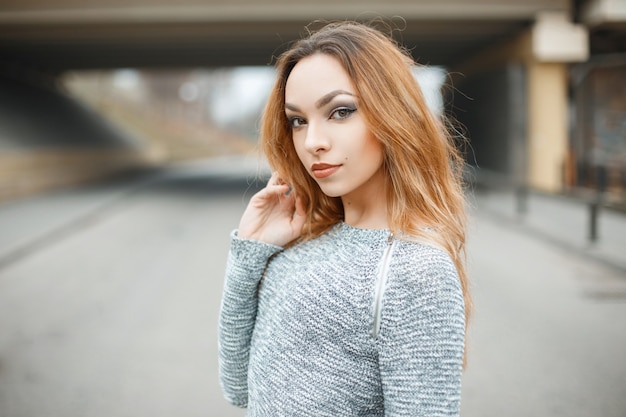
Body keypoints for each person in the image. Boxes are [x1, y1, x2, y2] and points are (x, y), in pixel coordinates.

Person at [218, 20, 471, 416]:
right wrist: (249, 254)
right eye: (297, 120)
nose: (313, 142)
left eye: (340, 112)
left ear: (393, 115)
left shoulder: (416, 270)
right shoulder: (307, 239)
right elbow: (237, 386)